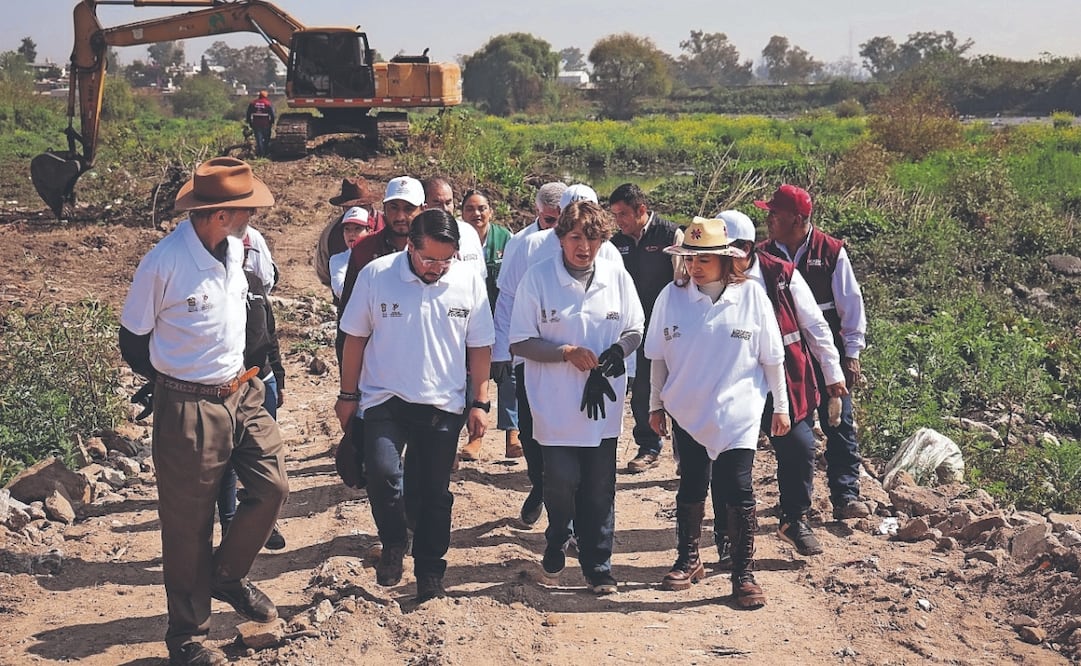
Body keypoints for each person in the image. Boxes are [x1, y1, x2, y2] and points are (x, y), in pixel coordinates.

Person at [118, 157, 289, 666]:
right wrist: (174, 381)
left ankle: (227, 576)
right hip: (189, 405)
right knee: (189, 525)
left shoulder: (235, 250)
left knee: (273, 486)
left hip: (244, 393)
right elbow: (132, 342)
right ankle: (186, 637)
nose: (252, 216)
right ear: (220, 213)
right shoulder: (163, 263)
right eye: (246, 209)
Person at [335, 209, 494, 603]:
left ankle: (429, 572)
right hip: (384, 398)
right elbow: (354, 338)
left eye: (446, 260)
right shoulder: (377, 275)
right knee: (383, 474)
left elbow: (480, 346)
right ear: (410, 245)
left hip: (443, 404)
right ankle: (393, 542)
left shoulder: (468, 281)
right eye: (429, 260)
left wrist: (480, 401)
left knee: (433, 494)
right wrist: (347, 395)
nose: (437, 269)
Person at [646, 216, 789, 610]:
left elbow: (772, 358)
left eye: (703, 259)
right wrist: (655, 404)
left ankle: (743, 573)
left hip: (739, 411)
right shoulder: (670, 297)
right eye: (689, 259)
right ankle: (689, 559)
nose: (694, 267)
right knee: (691, 483)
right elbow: (657, 358)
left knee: (737, 486)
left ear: (727, 260)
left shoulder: (752, 297)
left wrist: (782, 406)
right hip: (687, 408)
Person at [509, 201, 644, 595]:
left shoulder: (617, 278)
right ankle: (557, 534)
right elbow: (520, 341)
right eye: (575, 237)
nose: (583, 246)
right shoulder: (538, 279)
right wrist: (564, 353)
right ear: (561, 238)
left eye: (592, 238)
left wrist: (618, 352)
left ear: (603, 240)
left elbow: (635, 327)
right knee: (562, 481)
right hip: (554, 401)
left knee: (600, 487)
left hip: (602, 401)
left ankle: (598, 566)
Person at [718, 210, 848, 559]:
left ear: (746, 249)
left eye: (727, 253)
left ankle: (794, 519)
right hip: (732, 381)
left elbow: (816, 326)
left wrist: (833, 373)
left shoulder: (780, 275)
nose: (719, 261)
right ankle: (727, 530)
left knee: (800, 447)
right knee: (728, 457)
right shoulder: (706, 278)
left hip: (785, 378)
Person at [494, 183, 623, 529]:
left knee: (587, 451)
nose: (585, 244)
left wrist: (626, 362)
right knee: (534, 438)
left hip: (593, 371)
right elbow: (507, 298)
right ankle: (543, 487)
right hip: (533, 360)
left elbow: (625, 317)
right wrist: (501, 350)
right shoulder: (528, 245)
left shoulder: (609, 254)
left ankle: (571, 523)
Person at [756, 185, 871, 521]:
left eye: (775, 213)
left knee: (839, 422)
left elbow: (851, 307)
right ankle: (795, 503)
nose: (769, 217)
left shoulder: (831, 252)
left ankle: (846, 495)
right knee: (793, 430)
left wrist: (851, 354)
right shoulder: (764, 255)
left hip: (826, 356)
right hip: (788, 359)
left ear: (797, 218)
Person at [218, 239, 289, 552]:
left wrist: (280, 376)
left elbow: (268, 333)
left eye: (244, 251)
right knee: (228, 461)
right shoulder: (211, 286)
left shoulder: (255, 282)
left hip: (262, 381)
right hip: (226, 386)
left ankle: (264, 523)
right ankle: (230, 526)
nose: (239, 255)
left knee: (263, 455)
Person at [607, 183, 682, 473]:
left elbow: (681, 281)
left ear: (641, 210)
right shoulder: (615, 245)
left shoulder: (670, 235)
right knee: (641, 390)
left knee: (677, 390)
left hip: (669, 327)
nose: (619, 221)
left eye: (623, 214)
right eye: (615, 215)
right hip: (634, 331)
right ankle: (648, 447)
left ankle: (684, 455)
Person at [458, 189, 522, 460]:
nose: (477, 214)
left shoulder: (505, 238)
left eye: (482, 208)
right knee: (473, 375)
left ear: (491, 211)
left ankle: (513, 433)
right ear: (461, 213)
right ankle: (475, 438)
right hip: (470, 319)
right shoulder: (457, 237)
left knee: (509, 374)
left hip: (502, 317)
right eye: (471, 209)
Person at [316, 177, 386, 291]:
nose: (356, 211)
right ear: (343, 208)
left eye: (361, 206)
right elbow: (323, 270)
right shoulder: (330, 234)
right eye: (350, 208)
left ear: (370, 205)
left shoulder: (389, 225)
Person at [421, 176, 487, 279]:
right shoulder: (418, 237)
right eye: (437, 203)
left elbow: (481, 278)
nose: (445, 209)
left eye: (448, 203)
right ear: (424, 206)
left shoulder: (469, 232)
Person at [330, 206, 374, 301]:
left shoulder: (380, 257)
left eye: (357, 229)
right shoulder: (338, 260)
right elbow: (341, 290)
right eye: (347, 229)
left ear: (370, 231)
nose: (351, 234)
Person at [246, 90, 275, 157]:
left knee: (259, 140)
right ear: (266, 96)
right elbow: (272, 114)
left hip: (256, 124)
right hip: (266, 124)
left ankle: (261, 154)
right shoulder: (267, 103)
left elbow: (248, 114)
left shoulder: (253, 103)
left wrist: (250, 122)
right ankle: (266, 152)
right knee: (266, 139)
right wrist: (272, 122)